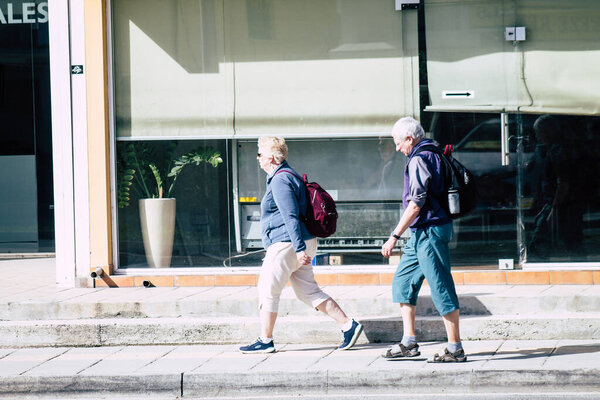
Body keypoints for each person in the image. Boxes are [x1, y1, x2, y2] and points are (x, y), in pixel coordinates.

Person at [239, 136, 363, 353]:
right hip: (300, 243)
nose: (257, 158)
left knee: (267, 290)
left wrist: (298, 250)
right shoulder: (289, 174)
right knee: (308, 292)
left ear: (271, 157)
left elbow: (290, 216)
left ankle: (265, 340)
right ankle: (348, 325)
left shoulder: (279, 180)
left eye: (259, 154)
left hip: (287, 245)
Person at [380, 117, 466, 363]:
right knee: (403, 281)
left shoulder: (419, 158)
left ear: (409, 138)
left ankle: (455, 348)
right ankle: (409, 343)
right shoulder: (431, 151)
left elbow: (416, 205)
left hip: (430, 231)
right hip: (421, 233)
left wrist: (394, 236)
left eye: (398, 143)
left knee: (440, 286)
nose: (396, 148)